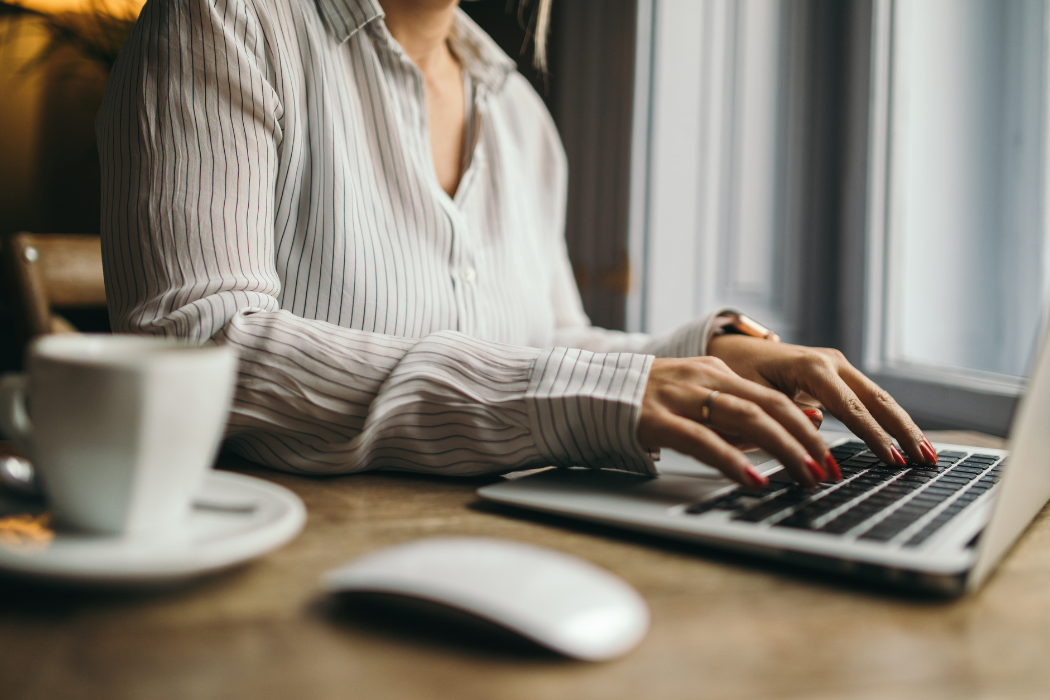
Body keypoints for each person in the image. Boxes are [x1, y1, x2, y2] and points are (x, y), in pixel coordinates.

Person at [96, 0, 938, 490]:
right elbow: (199, 346)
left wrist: (708, 357)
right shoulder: (226, 23)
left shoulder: (520, 113)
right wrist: (591, 393)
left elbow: (542, 346)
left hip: (489, 558)